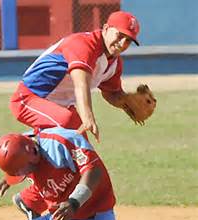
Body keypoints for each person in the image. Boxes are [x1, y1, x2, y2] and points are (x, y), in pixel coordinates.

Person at [9, 11, 142, 141]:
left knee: (82, 149)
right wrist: (88, 117)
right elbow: (81, 83)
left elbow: (112, 94)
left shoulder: (114, 63)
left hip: (62, 107)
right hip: (28, 99)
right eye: (120, 35)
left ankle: (43, 147)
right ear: (106, 28)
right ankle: (27, 144)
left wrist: (129, 103)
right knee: (67, 125)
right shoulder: (84, 43)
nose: (123, 43)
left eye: (129, 40)